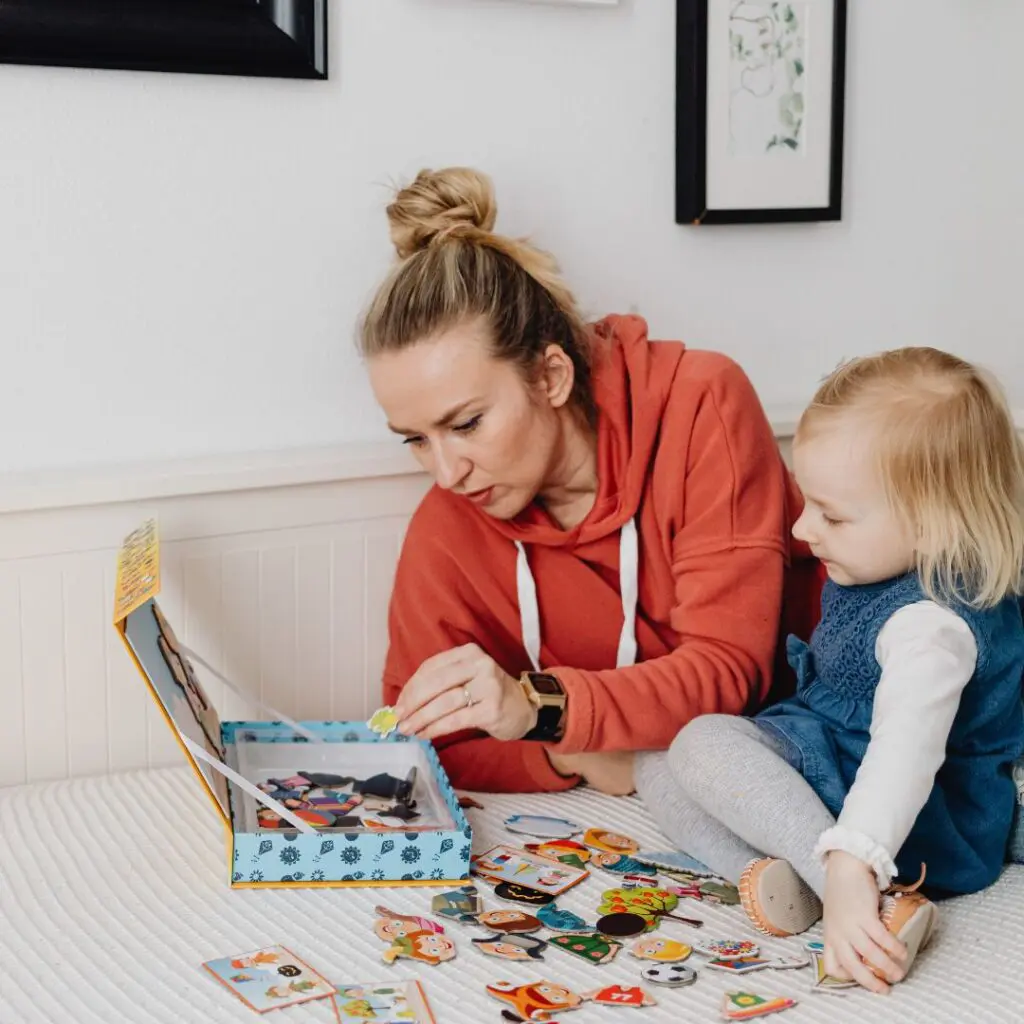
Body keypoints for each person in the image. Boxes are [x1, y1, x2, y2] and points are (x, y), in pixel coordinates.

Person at [358, 166, 821, 795]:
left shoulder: (701, 405)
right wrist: (564, 758)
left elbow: (728, 671)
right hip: (682, 792)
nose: (446, 472)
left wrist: (541, 707)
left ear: (550, 377)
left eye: (466, 423)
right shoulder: (448, 524)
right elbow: (423, 741)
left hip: (819, 738)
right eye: (415, 439)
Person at [635, 347, 1024, 994]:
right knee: (655, 761)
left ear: (933, 528)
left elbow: (905, 751)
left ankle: (854, 890)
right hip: (833, 757)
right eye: (806, 503)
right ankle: (806, 880)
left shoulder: (929, 628)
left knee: (701, 744)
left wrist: (853, 861)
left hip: (911, 814)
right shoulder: (887, 562)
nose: (801, 527)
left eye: (831, 515)